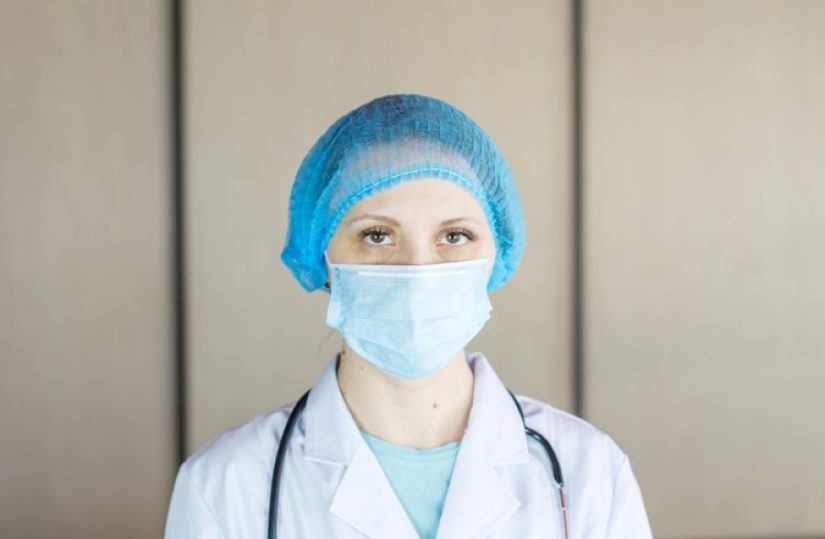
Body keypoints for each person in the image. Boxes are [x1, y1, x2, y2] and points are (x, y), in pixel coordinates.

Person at [164, 94, 652, 538]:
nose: (418, 271)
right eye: (377, 236)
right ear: (322, 255)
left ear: (495, 255)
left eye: (455, 236)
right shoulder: (225, 489)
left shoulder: (591, 475)